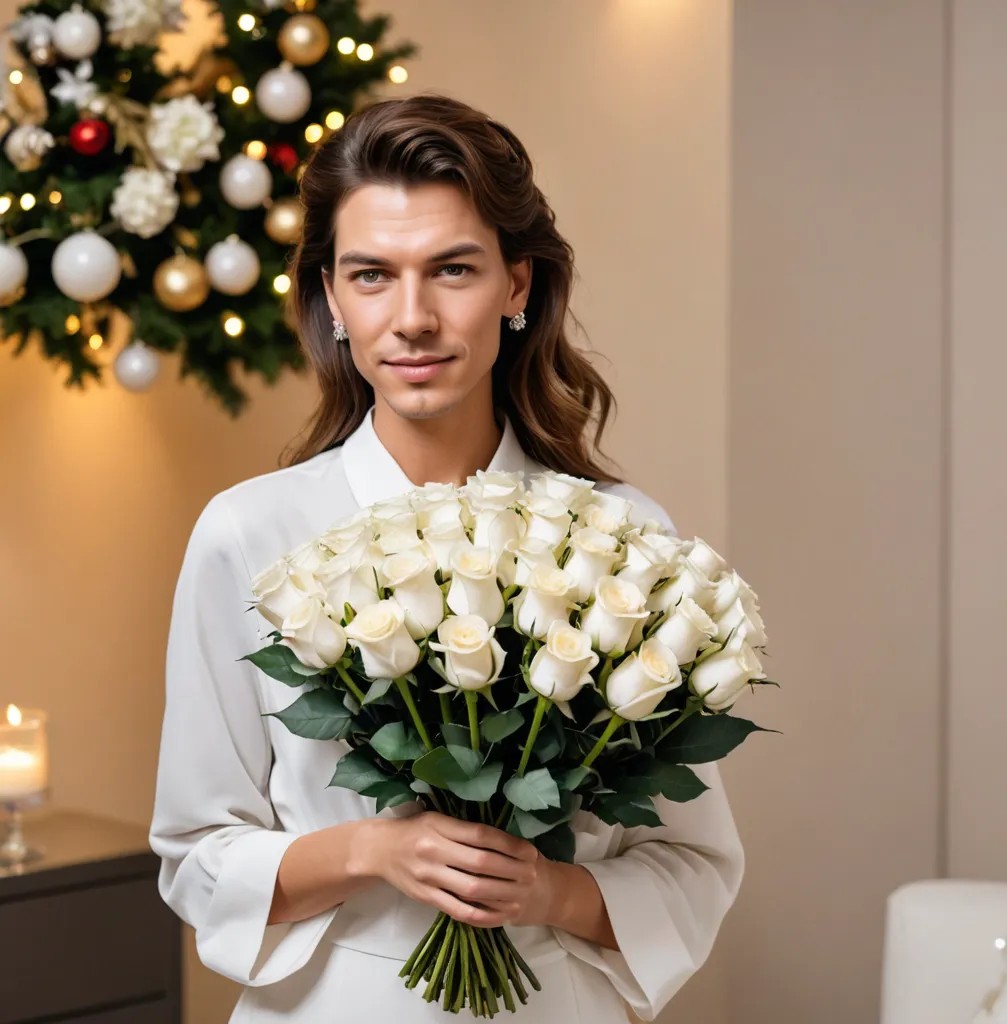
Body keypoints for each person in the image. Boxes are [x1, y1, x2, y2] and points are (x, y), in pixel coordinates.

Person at [149, 94, 744, 1023]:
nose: (413, 317)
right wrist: (374, 852)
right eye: (372, 275)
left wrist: (547, 894)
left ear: (517, 286)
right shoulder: (246, 534)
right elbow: (196, 856)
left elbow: (691, 860)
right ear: (332, 299)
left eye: (453, 269)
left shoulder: (624, 538)